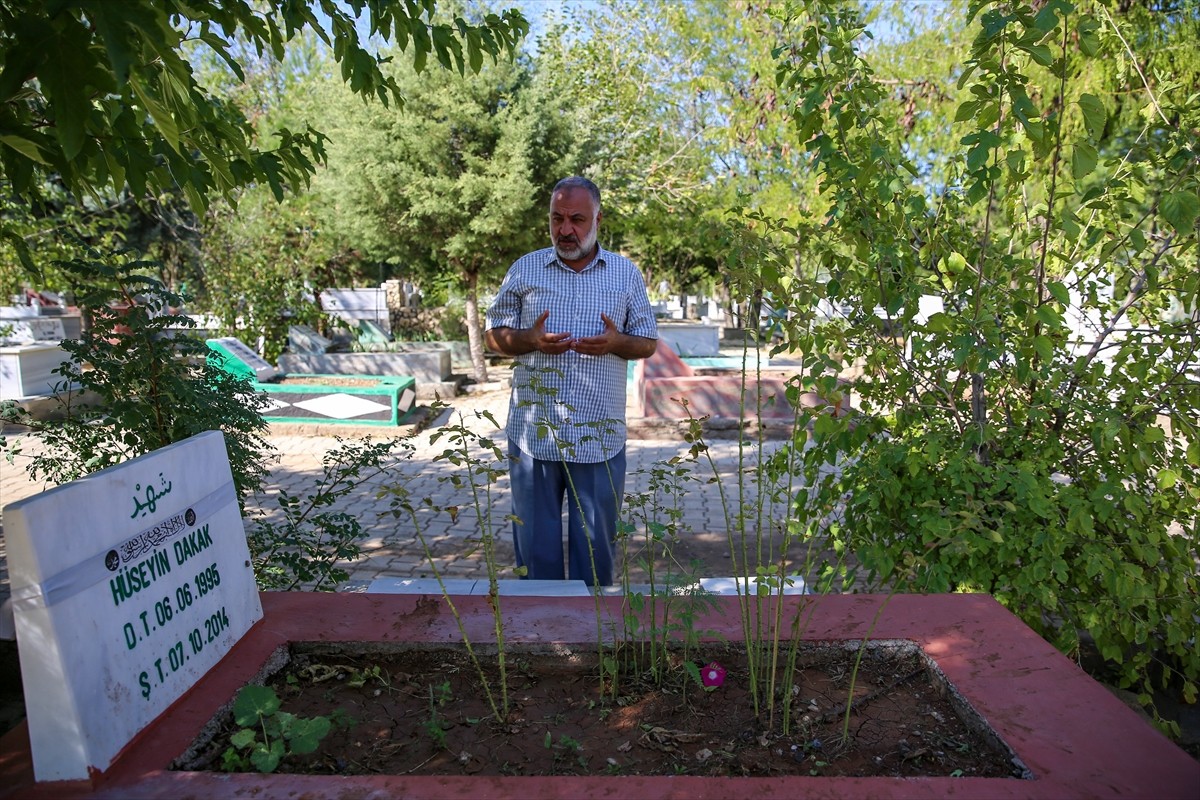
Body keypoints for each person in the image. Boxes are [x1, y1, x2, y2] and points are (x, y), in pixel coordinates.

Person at [485, 176, 658, 586]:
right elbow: (492, 335)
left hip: (598, 435)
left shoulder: (624, 274)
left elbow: (648, 342)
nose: (565, 230)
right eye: (556, 218)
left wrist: (618, 342)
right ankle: (540, 635)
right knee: (535, 553)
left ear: (599, 218)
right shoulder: (524, 269)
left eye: (577, 219)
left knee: (595, 556)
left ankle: (593, 640)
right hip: (534, 437)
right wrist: (528, 339)